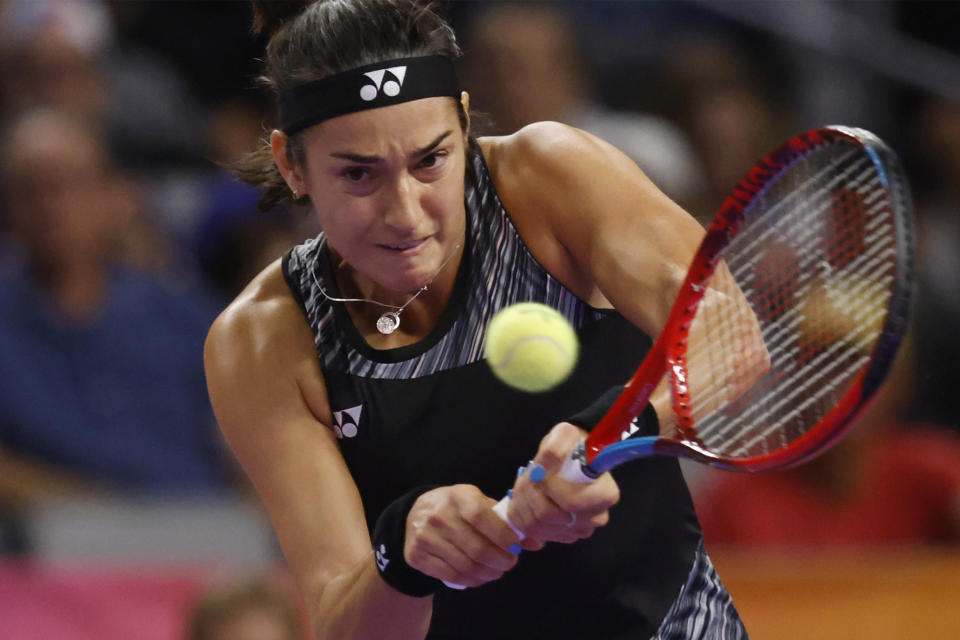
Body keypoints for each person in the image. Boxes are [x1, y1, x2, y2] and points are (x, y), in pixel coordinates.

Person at [204, 1, 746, 638]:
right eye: (358, 173)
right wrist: (403, 555)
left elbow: (729, 333)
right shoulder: (263, 339)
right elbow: (342, 624)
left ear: (463, 124)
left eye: (430, 160)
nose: (405, 213)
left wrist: (606, 434)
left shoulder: (548, 178)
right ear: (292, 165)